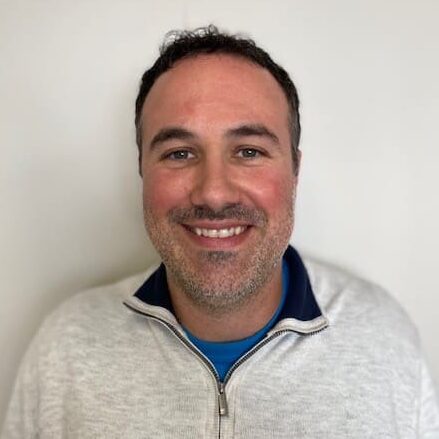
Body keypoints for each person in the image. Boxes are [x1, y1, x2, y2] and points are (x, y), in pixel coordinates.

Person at [2, 25, 439, 438]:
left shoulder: (384, 338)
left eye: (248, 151)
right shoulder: (65, 348)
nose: (212, 193)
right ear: (141, 171)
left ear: (295, 171)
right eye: (179, 153)